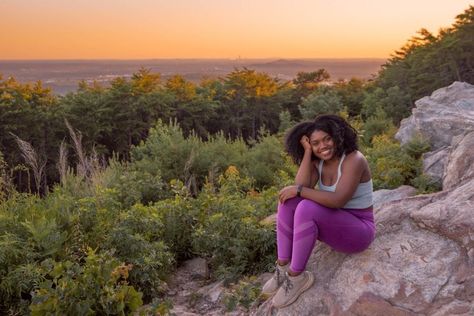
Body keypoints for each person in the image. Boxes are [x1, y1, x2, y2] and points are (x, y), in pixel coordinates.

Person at [262, 114, 375, 308]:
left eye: (327, 139)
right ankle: (283, 266)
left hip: (359, 231)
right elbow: (301, 186)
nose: (322, 146)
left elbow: (338, 200)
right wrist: (307, 153)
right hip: (337, 226)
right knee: (288, 202)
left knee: (305, 204)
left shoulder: (354, 159)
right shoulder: (319, 161)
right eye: (315, 143)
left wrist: (299, 190)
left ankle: (297, 277)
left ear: (337, 137)